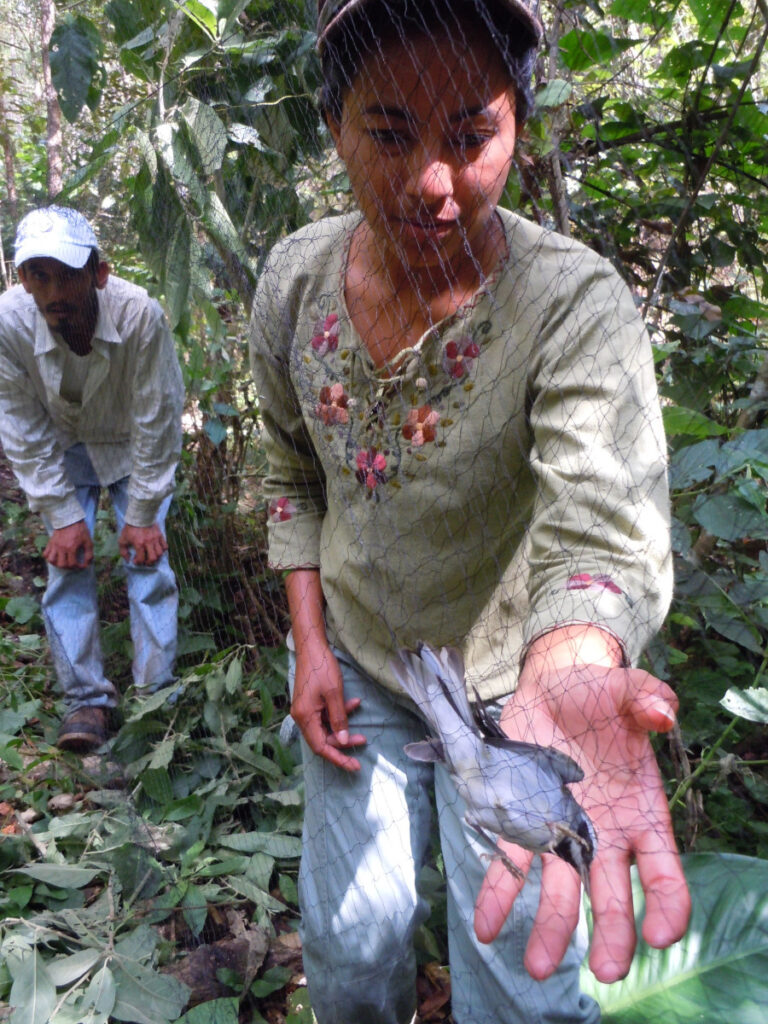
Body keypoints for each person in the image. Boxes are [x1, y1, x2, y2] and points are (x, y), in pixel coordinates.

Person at [250, 1, 691, 1021]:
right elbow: (288, 470)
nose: (432, 184)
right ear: (335, 126)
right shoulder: (294, 285)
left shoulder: (569, 306)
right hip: (361, 662)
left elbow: (602, 515)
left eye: (471, 136)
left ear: (519, 131)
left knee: (523, 984)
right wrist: (310, 643)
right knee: (351, 951)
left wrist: (572, 673)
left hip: (511, 700)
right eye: (391, 132)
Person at [0, 205, 184, 753]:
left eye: (68, 274)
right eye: (39, 274)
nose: (54, 290)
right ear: (22, 279)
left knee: (148, 564)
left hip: (131, 440)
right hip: (62, 440)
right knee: (65, 566)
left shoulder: (138, 317)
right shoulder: (8, 323)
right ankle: (87, 702)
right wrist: (61, 517)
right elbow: (20, 421)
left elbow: (158, 413)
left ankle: (156, 699)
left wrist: (144, 514)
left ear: (98, 273)